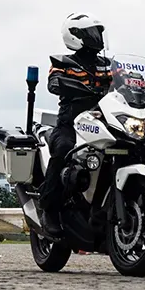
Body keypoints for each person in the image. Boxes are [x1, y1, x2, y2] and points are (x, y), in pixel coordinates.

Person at [38, 13, 113, 239]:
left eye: (97, 32)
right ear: (75, 36)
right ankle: (49, 209)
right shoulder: (62, 63)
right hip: (71, 122)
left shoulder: (107, 65)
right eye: (90, 33)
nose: (96, 37)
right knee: (63, 151)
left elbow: (122, 82)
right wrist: (65, 84)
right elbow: (54, 83)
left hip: (103, 121)